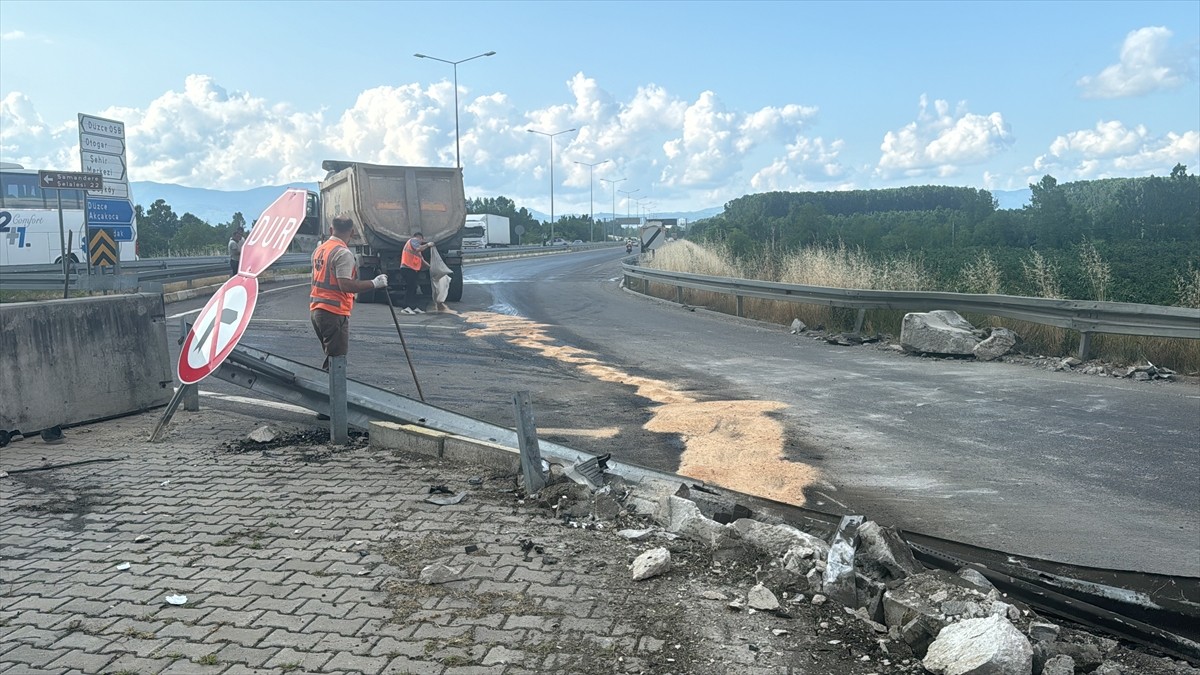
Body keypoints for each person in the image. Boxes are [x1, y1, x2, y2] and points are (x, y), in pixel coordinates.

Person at [310, 217, 387, 369]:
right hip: (333, 312)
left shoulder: (320, 249)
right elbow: (345, 284)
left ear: (331, 230)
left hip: (317, 309)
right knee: (336, 361)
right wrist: (374, 283)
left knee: (331, 357)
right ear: (352, 232)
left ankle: (329, 389)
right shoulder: (342, 253)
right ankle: (331, 391)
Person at [399, 231, 434, 315]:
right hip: (407, 268)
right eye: (421, 240)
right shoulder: (414, 240)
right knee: (411, 288)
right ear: (419, 237)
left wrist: (430, 267)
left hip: (411, 269)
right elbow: (418, 248)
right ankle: (406, 307)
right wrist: (428, 245)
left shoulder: (415, 247)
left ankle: (413, 307)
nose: (421, 242)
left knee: (413, 288)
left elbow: (422, 259)